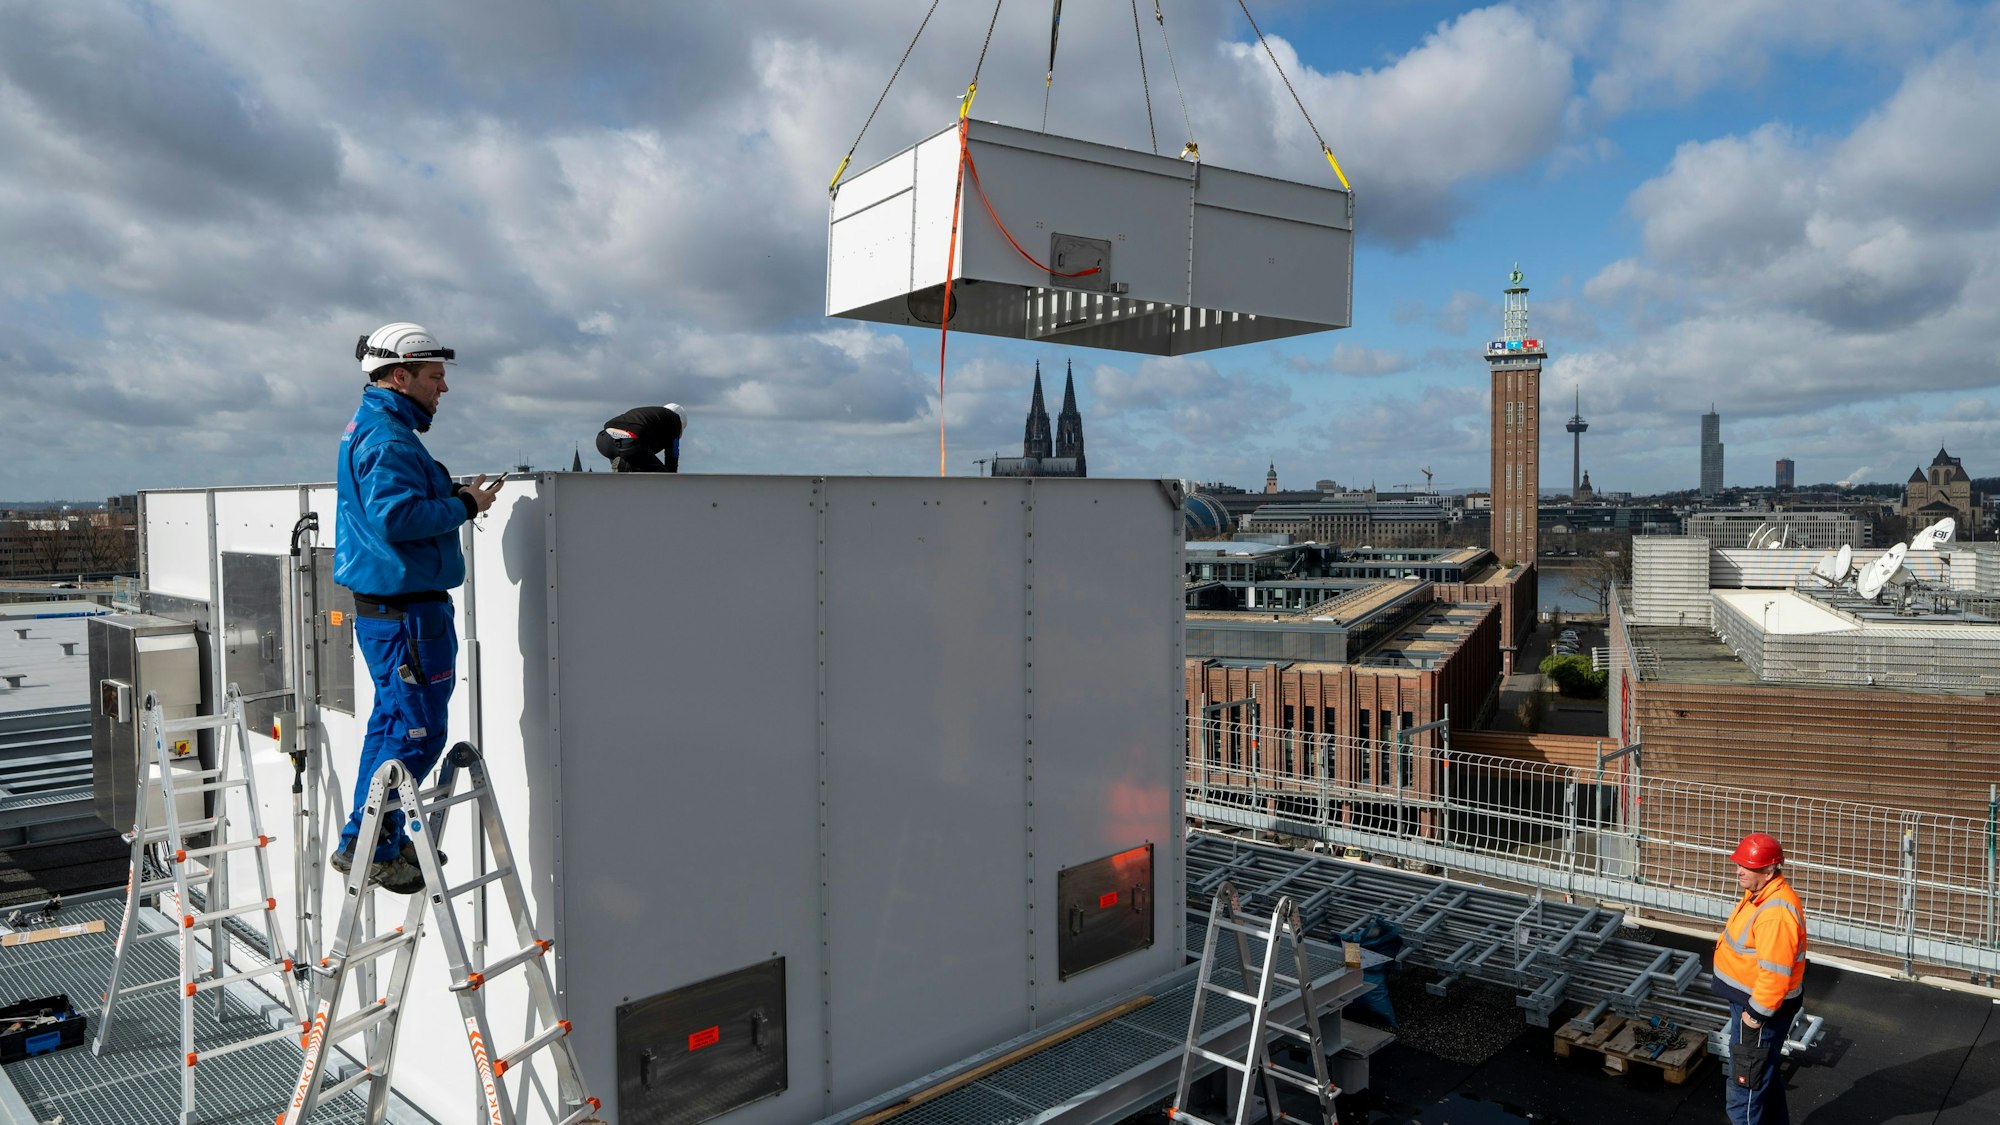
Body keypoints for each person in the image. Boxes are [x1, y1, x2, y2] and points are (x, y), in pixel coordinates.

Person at [332, 322, 503, 893]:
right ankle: (371, 846)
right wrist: (464, 504)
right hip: (407, 614)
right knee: (417, 734)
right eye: (435, 376)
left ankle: (369, 840)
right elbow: (396, 518)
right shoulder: (389, 439)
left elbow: (392, 506)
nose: (443, 388)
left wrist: (449, 497)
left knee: (389, 727)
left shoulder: (377, 427)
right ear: (401, 377)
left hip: (392, 609)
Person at [1710, 832, 1807, 1124]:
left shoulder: (1775, 913)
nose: (1739, 870)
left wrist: (1754, 1015)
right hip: (1753, 1004)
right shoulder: (1759, 895)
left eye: (1747, 866)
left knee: (1745, 1089)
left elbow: (1774, 975)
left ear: (1768, 871)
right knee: (1765, 1076)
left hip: (1759, 1011)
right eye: (1739, 864)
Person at [596, 404, 686, 472]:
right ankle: (625, 466)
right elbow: (673, 453)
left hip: (604, 440)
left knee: (638, 463)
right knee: (660, 476)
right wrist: (671, 478)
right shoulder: (675, 419)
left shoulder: (651, 416)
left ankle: (624, 465)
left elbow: (645, 453)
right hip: (627, 442)